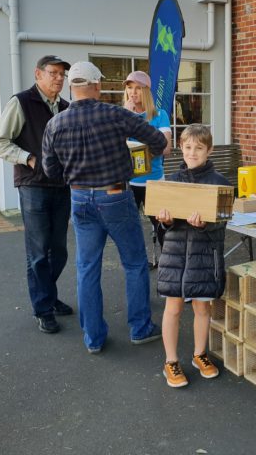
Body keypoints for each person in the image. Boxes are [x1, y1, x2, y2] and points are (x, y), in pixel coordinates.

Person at [42, 61, 168, 354]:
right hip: (116, 196)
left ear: (72, 88)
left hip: (80, 199)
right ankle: (140, 328)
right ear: (97, 86)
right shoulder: (115, 114)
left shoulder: (55, 123)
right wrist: (130, 156)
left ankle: (93, 338)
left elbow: (50, 170)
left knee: (87, 268)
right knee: (135, 263)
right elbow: (159, 142)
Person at [0, 55, 73, 335]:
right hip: (33, 186)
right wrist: (28, 158)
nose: (59, 78)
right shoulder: (21, 102)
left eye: (62, 74)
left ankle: (47, 295)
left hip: (61, 186)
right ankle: (43, 308)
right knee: (38, 253)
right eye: (54, 73)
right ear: (38, 74)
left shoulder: (65, 107)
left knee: (59, 251)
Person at [155, 124, 229, 387]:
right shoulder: (171, 181)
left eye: (198, 148)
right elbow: (162, 224)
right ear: (181, 149)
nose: (192, 153)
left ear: (209, 150)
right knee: (172, 308)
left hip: (203, 255)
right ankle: (171, 361)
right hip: (174, 255)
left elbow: (222, 223)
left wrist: (204, 224)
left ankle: (200, 354)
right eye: (187, 147)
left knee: (202, 307)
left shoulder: (220, 183)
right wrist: (163, 221)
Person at [123, 70, 172, 267]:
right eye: (129, 88)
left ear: (146, 92)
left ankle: (169, 264)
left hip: (154, 180)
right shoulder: (121, 114)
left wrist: (138, 149)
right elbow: (115, 146)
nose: (133, 93)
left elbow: (166, 147)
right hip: (130, 181)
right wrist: (125, 116)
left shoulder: (159, 115)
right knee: (130, 228)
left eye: (138, 88)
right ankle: (137, 264)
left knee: (162, 226)